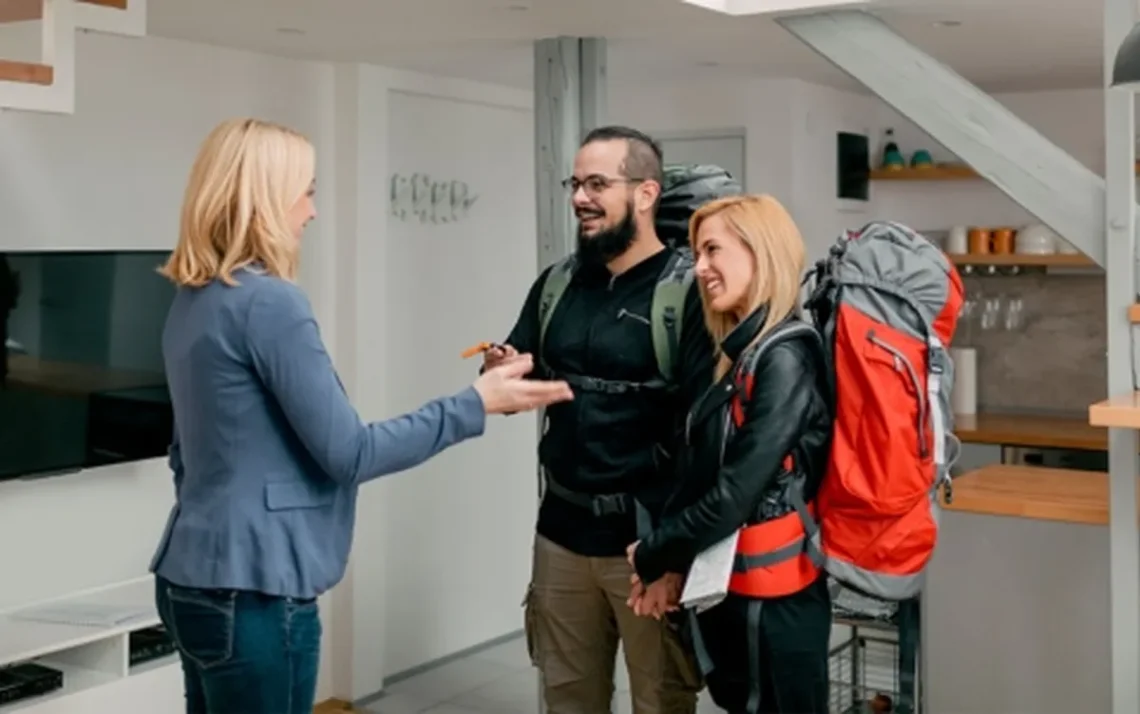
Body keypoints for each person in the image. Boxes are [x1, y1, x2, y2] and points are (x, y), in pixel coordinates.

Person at [150, 117, 573, 714]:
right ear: (267, 198)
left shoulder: (193, 298)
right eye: (308, 191)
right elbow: (351, 452)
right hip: (257, 591)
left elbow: (185, 452)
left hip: (191, 576)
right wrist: (476, 402)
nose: (312, 211)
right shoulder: (270, 302)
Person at [486, 125, 710, 713]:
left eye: (597, 184)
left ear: (645, 193)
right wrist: (502, 371)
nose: (580, 198)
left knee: (660, 701)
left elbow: (703, 440)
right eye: (576, 183)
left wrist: (672, 555)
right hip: (559, 536)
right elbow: (519, 381)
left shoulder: (685, 295)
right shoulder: (557, 283)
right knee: (566, 702)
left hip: (645, 549)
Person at [628, 194, 834, 714]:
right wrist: (665, 565)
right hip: (741, 597)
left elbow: (733, 494)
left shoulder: (786, 356)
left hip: (778, 607)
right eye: (698, 253)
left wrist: (655, 551)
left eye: (712, 250)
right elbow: (704, 469)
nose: (699, 268)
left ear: (759, 251)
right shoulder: (743, 354)